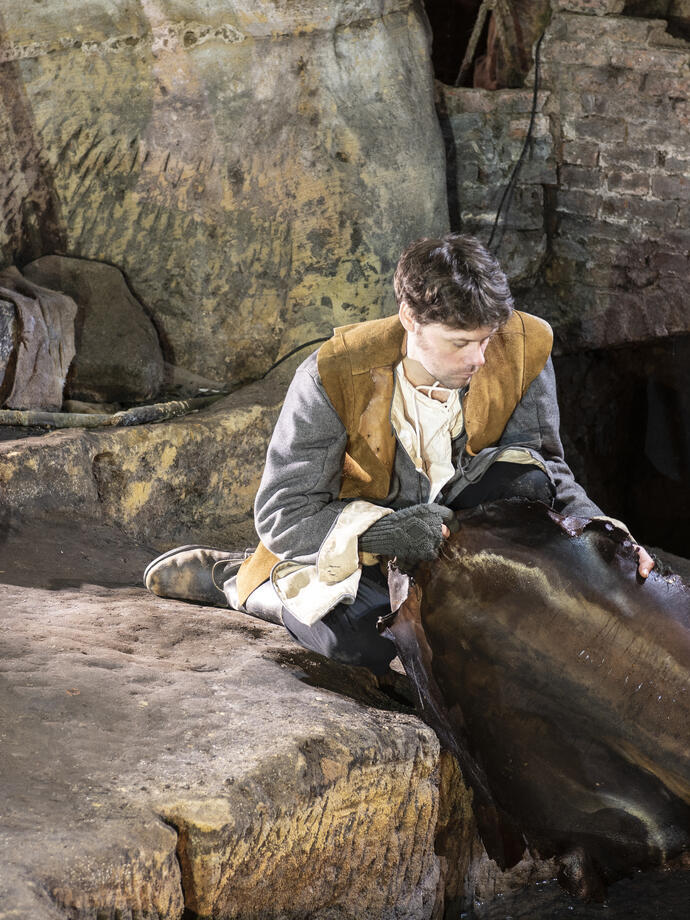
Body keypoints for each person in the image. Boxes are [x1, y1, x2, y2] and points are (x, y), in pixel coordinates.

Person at [145, 233, 654, 674]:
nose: (479, 359)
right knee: (354, 642)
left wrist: (600, 531)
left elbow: (544, 466)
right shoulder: (332, 374)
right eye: (459, 343)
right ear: (410, 318)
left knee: (524, 488)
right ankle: (246, 585)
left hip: (455, 531)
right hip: (365, 547)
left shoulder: (523, 346)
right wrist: (384, 532)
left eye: (486, 339)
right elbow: (282, 514)